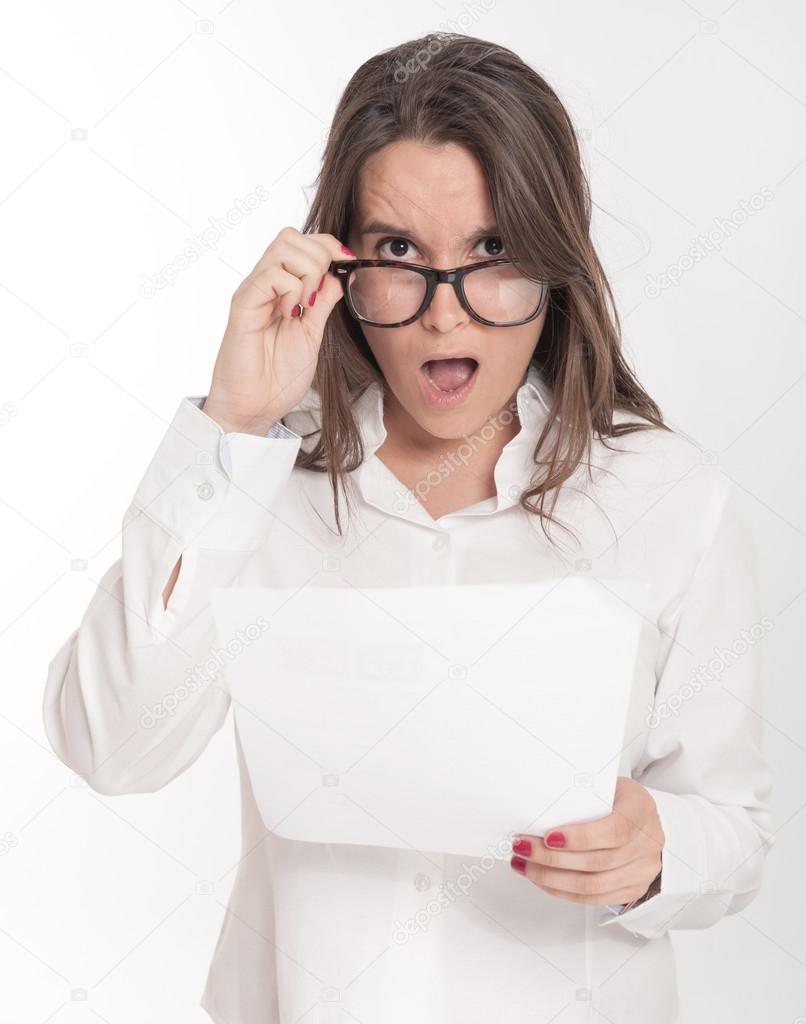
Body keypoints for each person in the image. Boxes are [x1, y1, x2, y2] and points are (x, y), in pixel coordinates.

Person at [42, 31, 774, 1024]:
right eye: (398, 254)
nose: (446, 315)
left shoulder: (667, 495)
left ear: (553, 263)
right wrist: (231, 425)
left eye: (491, 252)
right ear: (338, 265)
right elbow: (110, 745)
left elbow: (729, 832)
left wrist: (656, 850)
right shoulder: (260, 484)